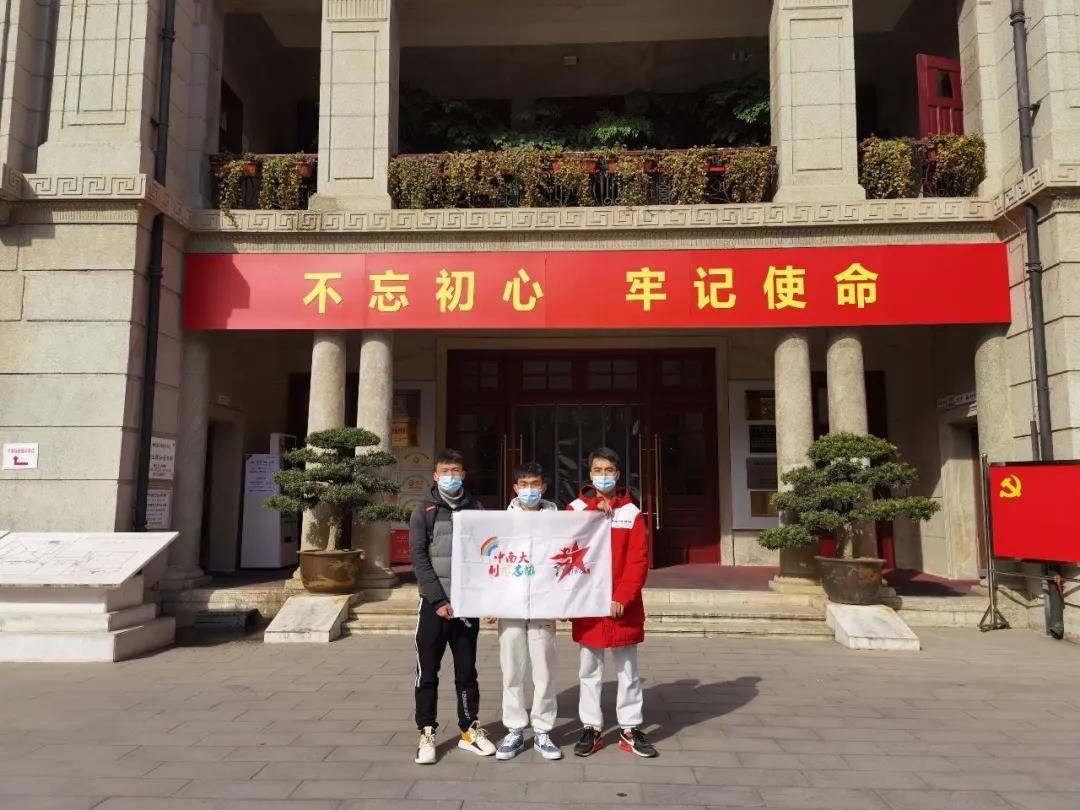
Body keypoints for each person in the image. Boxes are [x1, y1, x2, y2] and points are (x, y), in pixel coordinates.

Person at [567, 447, 658, 758]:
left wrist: (622, 596)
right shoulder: (575, 509)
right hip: (589, 604)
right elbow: (565, 552)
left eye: (608, 470)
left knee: (628, 670)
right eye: (597, 470)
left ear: (617, 475)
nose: (603, 475)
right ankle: (591, 728)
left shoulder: (631, 513)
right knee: (589, 669)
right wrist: (596, 510)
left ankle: (629, 728)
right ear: (589, 474)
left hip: (622, 607)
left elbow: (638, 561)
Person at [409, 449, 496, 765]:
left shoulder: (477, 508)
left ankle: (469, 730)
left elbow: (488, 555)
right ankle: (427, 731)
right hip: (434, 605)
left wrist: (488, 598)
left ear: (464, 474)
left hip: (466, 605)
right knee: (427, 672)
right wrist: (437, 600)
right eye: (444, 471)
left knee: (466, 671)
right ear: (435, 476)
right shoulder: (424, 510)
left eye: (455, 471)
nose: (450, 476)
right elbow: (419, 558)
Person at [490, 462, 563, 762]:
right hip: (510, 603)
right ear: (515, 488)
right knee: (512, 668)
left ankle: (543, 730)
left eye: (535, 484)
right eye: (524, 485)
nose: (529, 490)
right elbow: (491, 562)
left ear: (543, 487)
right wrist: (490, 600)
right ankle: (515, 728)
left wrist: (566, 601)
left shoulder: (559, 521)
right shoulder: (501, 521)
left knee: (544, 669)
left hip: (544, 603)